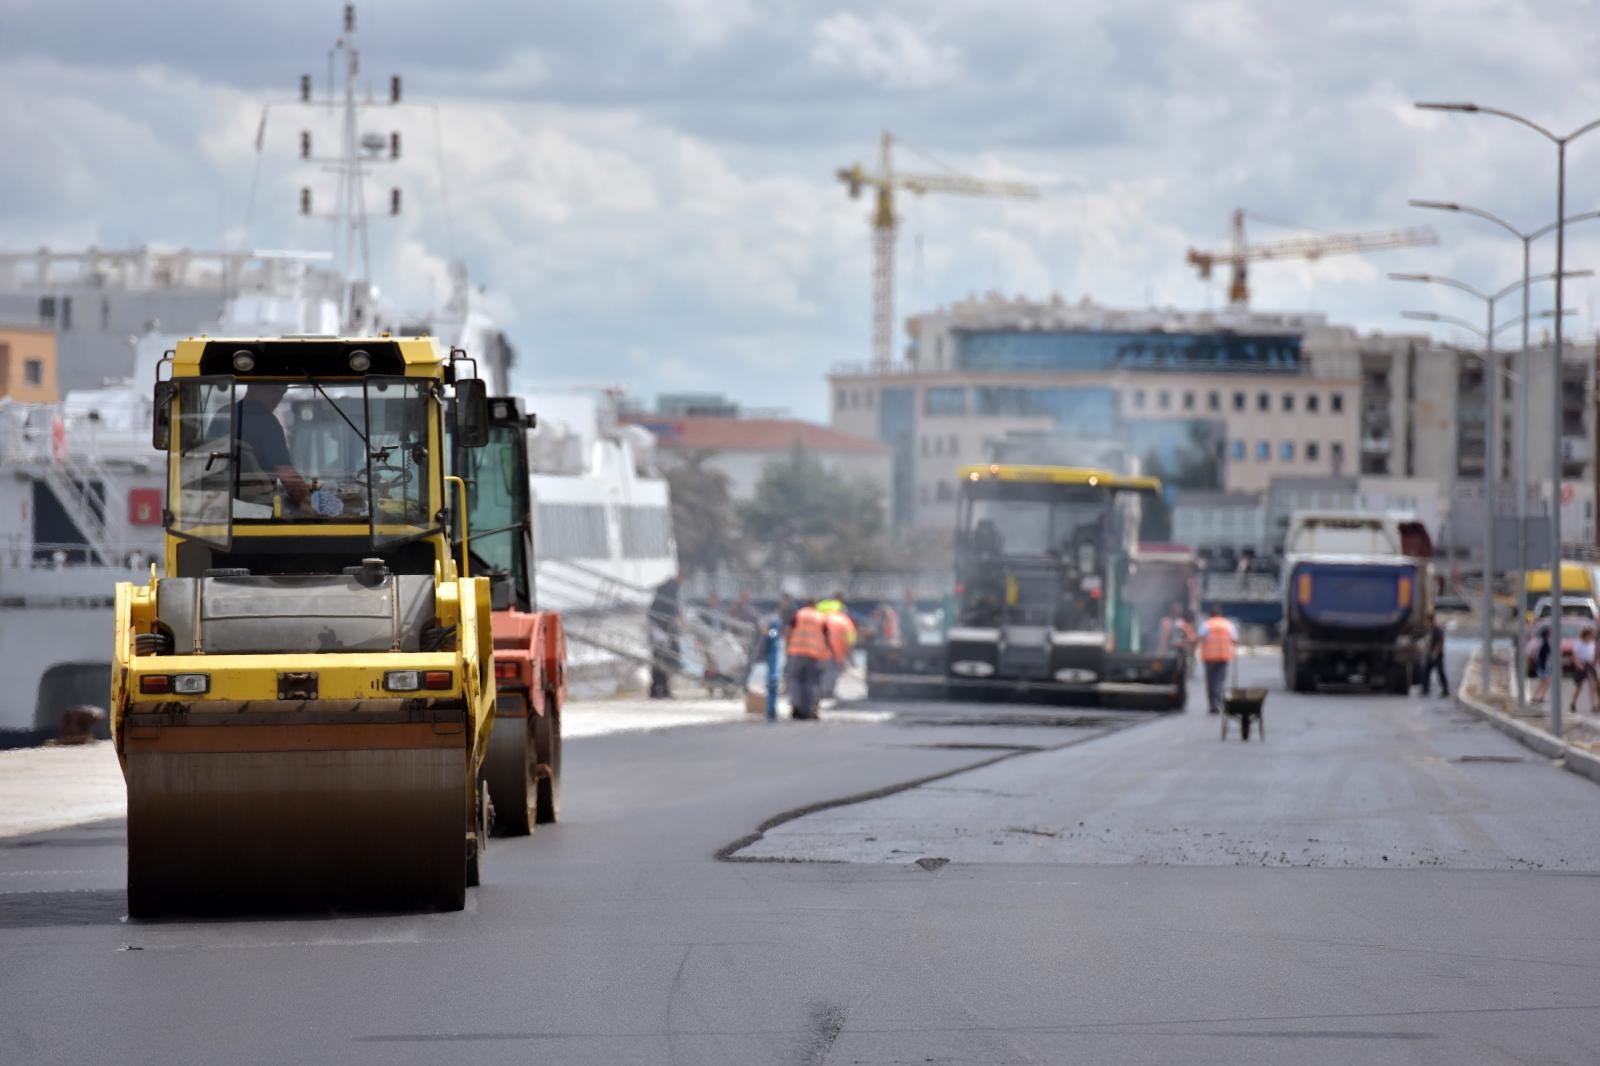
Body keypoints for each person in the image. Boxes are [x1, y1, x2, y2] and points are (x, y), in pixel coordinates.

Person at [210, 382, 312, 511]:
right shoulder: (265, 420)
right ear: (252, 386)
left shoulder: (224, 413)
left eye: (281, 393)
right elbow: (286, 473)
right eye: (274, 391)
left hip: (221, 504)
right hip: (256, 506)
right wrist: (307, 501)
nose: (277, 398)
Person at [785, 598, 832, 720]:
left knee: (795, 680)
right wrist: (827, 652)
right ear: (815, 605)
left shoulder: (798, 614)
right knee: (811, 682)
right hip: (814, 654)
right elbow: (827, 636)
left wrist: (787, 647)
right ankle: (810, 710)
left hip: (796, 652)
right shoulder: (821, 617)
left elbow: (788, 631)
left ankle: (796, 708)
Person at [1196, 603, 1238, 716]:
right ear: (1220, 614)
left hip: (1210, 658)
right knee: (1220, 681)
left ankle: (1213, 705)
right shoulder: (1228, 624)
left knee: (1211, 682)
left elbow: (1200, 638)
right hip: (1223, 657)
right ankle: (1219, 699)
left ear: (1210, 614)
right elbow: (1234, 639)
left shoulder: (1206, 624)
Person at [648, 571, 684, 699]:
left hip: (657, 628)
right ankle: (662, 689)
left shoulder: (665, 588)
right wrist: (677, 619)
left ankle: (656, 689)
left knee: (658, 659)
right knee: (665, 659)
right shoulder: (671, 589)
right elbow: (671, 608)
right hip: (663, 629)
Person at [1570, 625, 1598, 715]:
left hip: (1590, 665)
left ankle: (1594, 705)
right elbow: (1574, 656)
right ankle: (1573, 703)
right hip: (1581, 664)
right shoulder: (1579, 643)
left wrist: (1594, 663)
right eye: (1591, 634)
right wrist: (1578, 665)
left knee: (1593, 685)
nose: (1592, 636)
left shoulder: (1593, 643)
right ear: (1586, 635)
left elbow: (1594, 655)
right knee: (1579, 686)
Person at [1420, 613, 1449, 698]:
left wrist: (1435, 653)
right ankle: (1425, 689)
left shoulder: (1436, 630)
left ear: (1431, 620)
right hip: (1430, 655)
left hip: (1436, 655)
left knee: (1440, 672)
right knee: (1426, 672)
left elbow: (1439, 642)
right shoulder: (1430, 630)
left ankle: (1445, 690)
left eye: (1428, 621)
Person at [1531, 622, 1554, 704]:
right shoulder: (1543, 643)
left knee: (1545, 681)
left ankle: (1541, 696)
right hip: (1541, 665)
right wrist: (1540, 665)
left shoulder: (1543, 642)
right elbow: (1537, 656)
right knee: (1545, 681)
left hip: (1543, 665)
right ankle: (1536, 696)